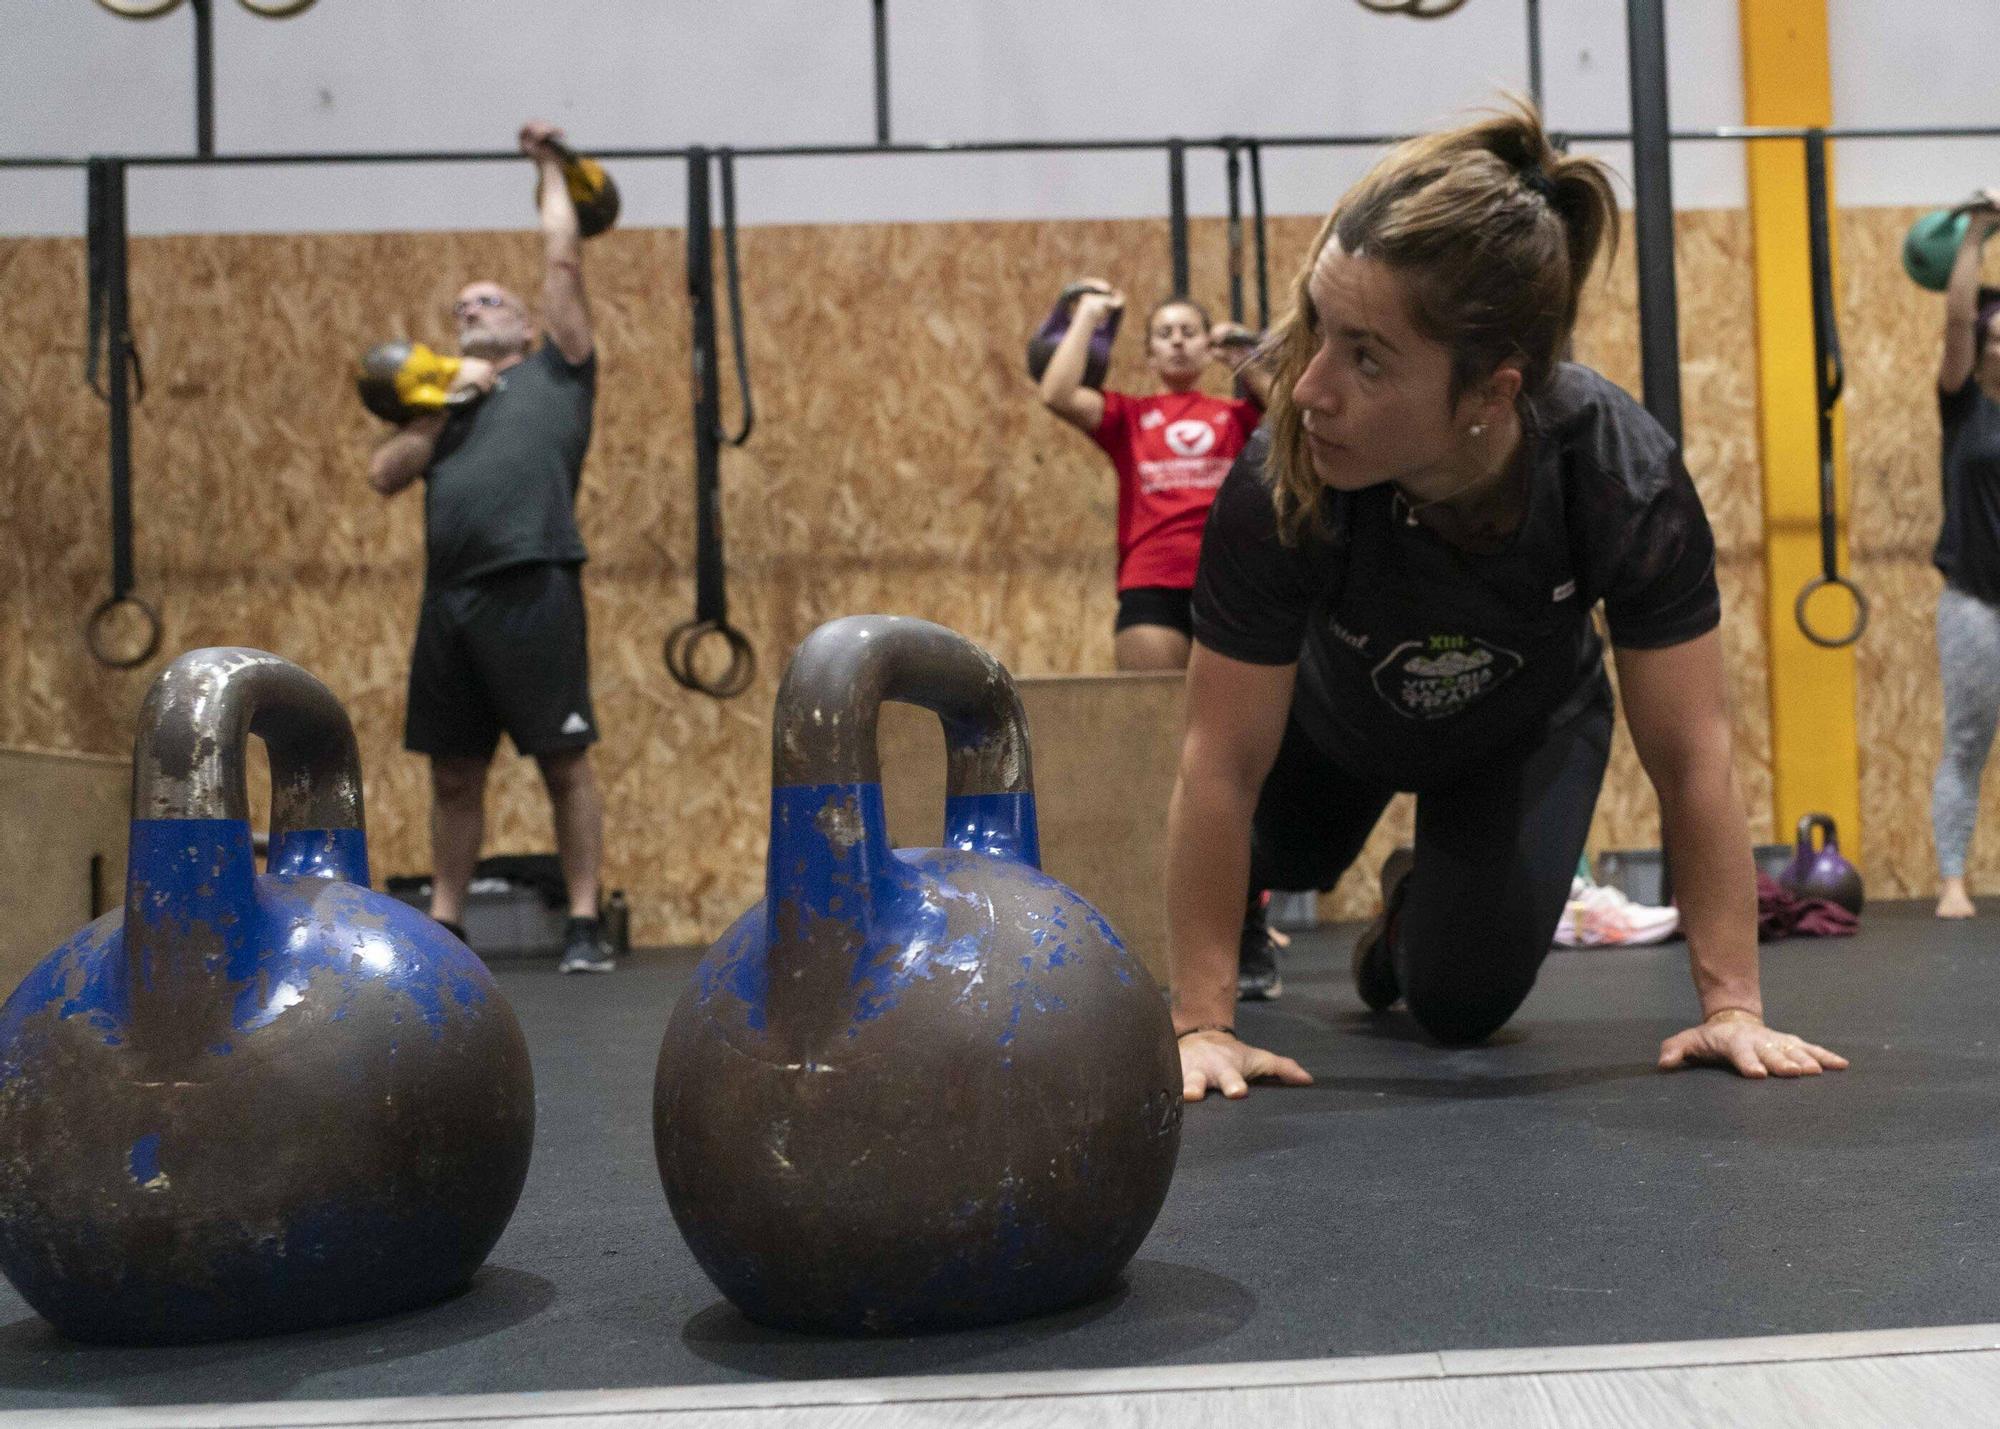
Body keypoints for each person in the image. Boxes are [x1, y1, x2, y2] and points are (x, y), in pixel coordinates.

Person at [1166, 102, 1849, 1100]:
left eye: (1365, 357)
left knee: (1455, 1006)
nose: (1308, 386)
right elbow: (1216, 763)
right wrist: (1201, 1025)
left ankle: (1410, 911)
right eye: (1316, 326)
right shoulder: (1281, 473)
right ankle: (1265, 904)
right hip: (1331, 721)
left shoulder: (1617, 474)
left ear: (1488, 394)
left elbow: (1693, 754)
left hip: (1518, 730)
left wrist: (1729, 1006)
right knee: (1286, 850)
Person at [366, 119, 611, 975]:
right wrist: (440, 403)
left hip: (533, 584)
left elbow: (561, 259)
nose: (470, 311)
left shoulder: (559, 371)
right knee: (453, 773)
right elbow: (382, 476)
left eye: (487, 303)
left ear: (526, 325)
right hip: (451, 601)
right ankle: (446, 923)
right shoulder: (441, 405)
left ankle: (583, 922)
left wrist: (550, 169)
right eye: (461, 308)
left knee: (564, 762)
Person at [1038, 285, 1272, 673]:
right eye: (1165, 335)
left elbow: (1294, 421)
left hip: (1228, 584)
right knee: (1152, 720)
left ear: (1207, 347)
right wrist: (1088, 316)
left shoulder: (1236, 415)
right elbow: (1057, 395)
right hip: (1151, 584)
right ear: (1149, 355)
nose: (1178, 341)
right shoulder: (1128, 416)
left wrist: (1241, 359)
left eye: (1189, 332)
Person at [1930, 193, 2000, 920]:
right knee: (1967, 742)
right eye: (1994, 338)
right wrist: (1978, 234)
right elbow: (1956, 318)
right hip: (1976, 603)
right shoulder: (1963, 406)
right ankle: (1953, 880)